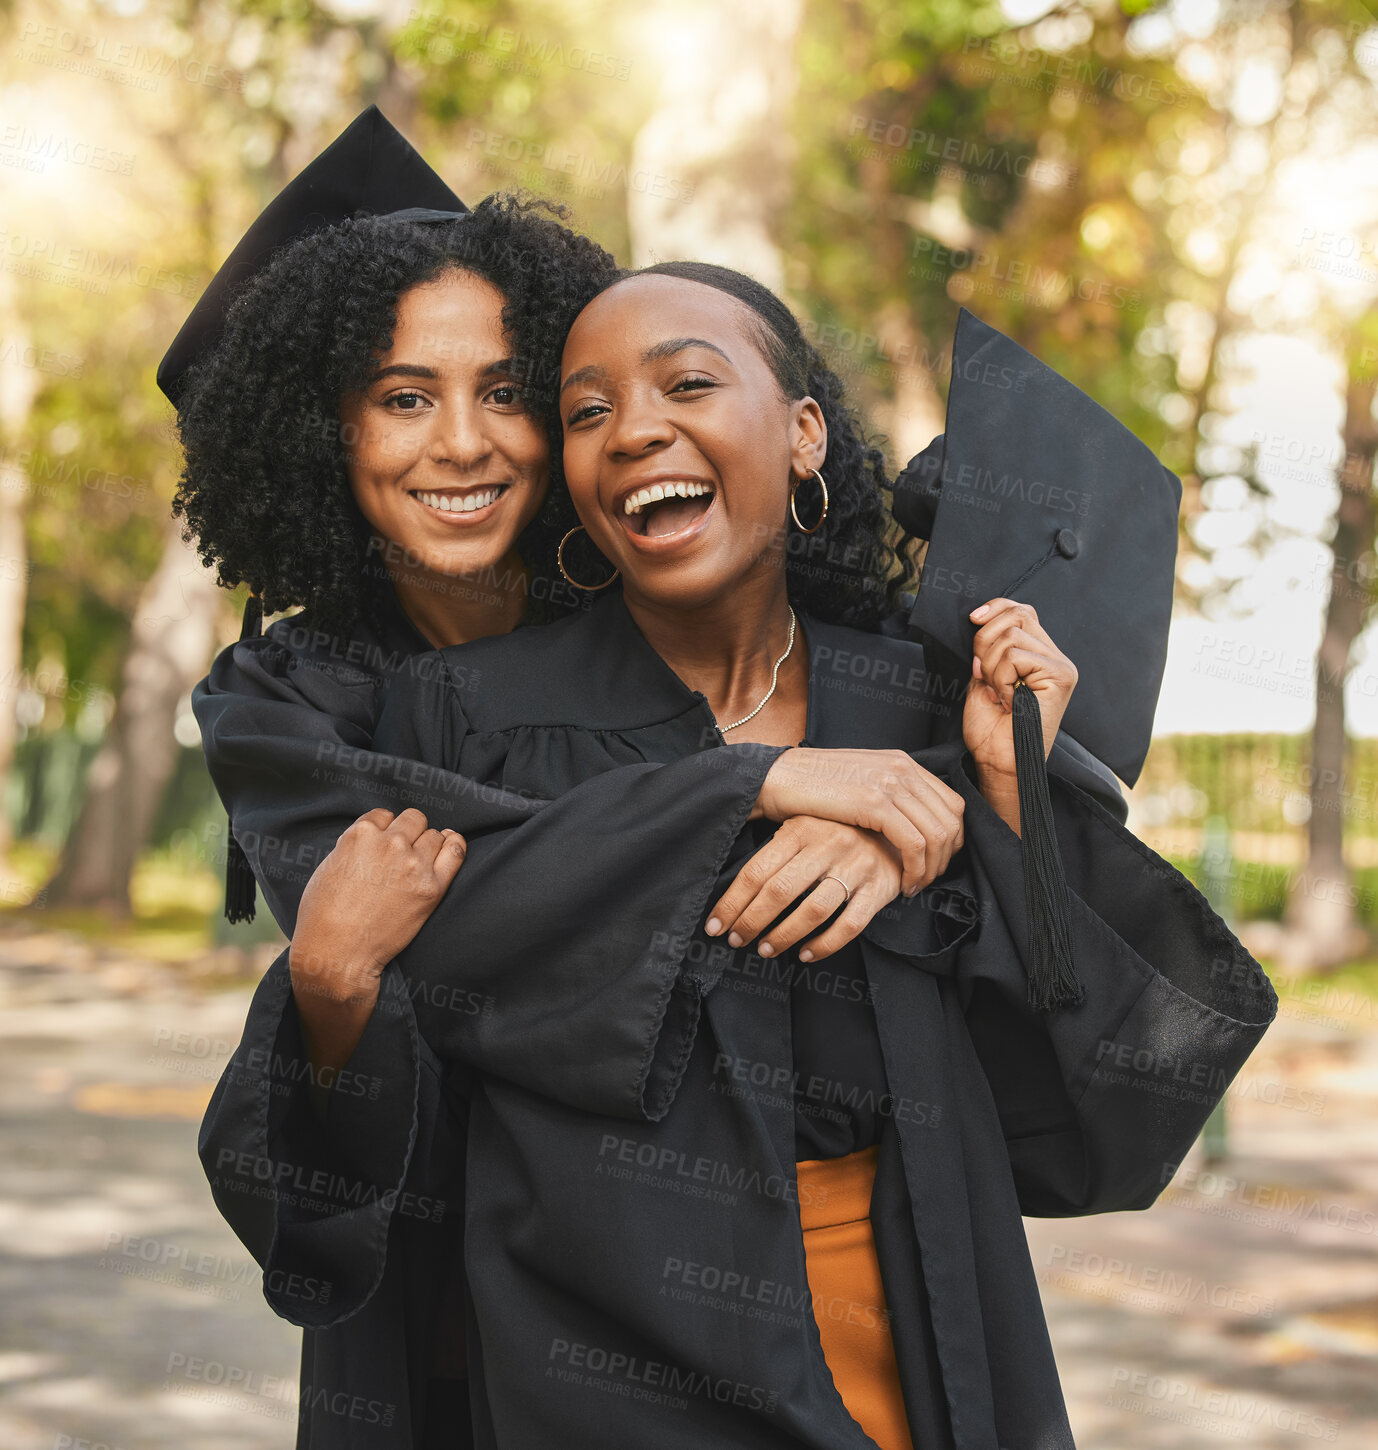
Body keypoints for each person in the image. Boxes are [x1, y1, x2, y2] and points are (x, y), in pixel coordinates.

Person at [271, 262, 1279, 1449]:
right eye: (586, 412)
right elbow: (436, 1041)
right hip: (592, 1358)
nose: (634, 428)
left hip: (916, 1339)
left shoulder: (915, 709)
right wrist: (742, 792)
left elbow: (1080, 1118)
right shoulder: (471, 713)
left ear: (802, 434)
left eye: (687, 381)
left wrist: (1003, 809)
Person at [179, 113, 995, 1447]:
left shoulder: (654, 604)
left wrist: (908, 817)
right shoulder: (292, 696)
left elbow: (909, 715)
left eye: (509, 392)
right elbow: (454, 911)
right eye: (401, 397)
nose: (462, 444)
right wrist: (760, 786)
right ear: (320, 434)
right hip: (448, 1285)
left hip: (706, 1274)